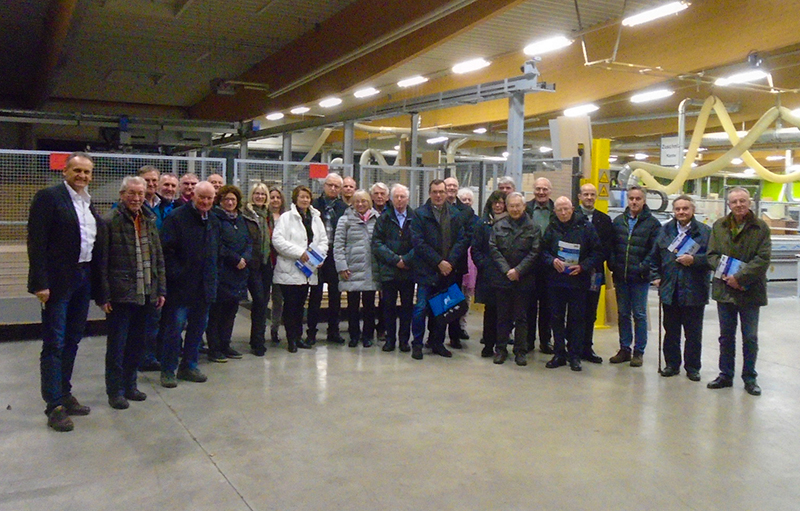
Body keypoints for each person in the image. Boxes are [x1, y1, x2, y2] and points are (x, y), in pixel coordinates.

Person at [27, 151, 103, 432]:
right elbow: (36, 241)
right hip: (58, 282)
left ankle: (65, 393)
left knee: (72, 339)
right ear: (65, 172)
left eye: (86, 172)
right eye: (77, 171)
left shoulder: (87, 202)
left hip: (83, 278)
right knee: (55, 343)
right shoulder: (49, 198)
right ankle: (54, 405)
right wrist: (40, 283)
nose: (82, 176)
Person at [99, 176, 166, 409]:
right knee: (117, 345)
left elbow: (158, 258)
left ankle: (130, 385)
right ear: (121, 195)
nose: (136, 198)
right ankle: (115, 391)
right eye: (131, 193)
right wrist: (104, 296)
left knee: (137, 343)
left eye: (140, 193)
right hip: (120, 295)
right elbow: (102, 263)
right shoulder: (109, 221)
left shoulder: (149, 219)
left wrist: (160, 289)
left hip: (146, 292)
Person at [706, 187, 771, 396]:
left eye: (742, 201)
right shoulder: (719, 226)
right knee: (726, 336)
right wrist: (728, 277)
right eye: (734, 202)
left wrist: (740, 278)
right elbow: (712, 255)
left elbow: (762, 259)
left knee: (750, 337)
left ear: (749, 202)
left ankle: (750, 378)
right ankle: (725, 375)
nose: (739, 205)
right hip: (725, 290)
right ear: (729, 205)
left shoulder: (760, 228)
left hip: (750, 291)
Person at [159, 181, 220, 387]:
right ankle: (168, 370)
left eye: (209, 198)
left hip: (204, 287)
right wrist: (178, 274)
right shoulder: (176, 218)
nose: (205, 201)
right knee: (174, 330)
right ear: (193, 195)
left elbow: (215, 252)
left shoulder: (213, 219)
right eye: (201, 197)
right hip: (181, 288)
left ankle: (189, 366)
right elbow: (166, 252)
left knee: (197, 329)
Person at [650, 195, 711, 381]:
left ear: (692, 210)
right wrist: (656, 277)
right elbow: (654, 258)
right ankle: (672, 364)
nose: (681, 212)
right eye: (678, 209)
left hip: (694, 290)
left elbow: (713, 258)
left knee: (693, 333)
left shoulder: (705, 232)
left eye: (685, 209)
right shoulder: (664, 231)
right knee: (671, 331)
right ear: (673, 211)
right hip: (670, 289)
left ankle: (692, 367)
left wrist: (694, 260)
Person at [410, 179, 470, 360]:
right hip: (426, 272)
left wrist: (449, 262)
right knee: (420, 309)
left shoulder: (455, 214)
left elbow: (462, 240)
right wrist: (438, 262)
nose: (438, 195)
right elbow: (418, 242)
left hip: (447, 272)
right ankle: (417, 345)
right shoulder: (420, 214)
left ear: (446, 194)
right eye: (435, 192)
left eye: (441, 192)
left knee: (442, 311)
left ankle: (437, 343)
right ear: (429, 193)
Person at [540, 197, 602, 372]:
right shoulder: (552, 228)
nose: (563, 213)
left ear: (573, 209)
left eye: (566, 209)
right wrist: (552, 261)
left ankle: (575, 355)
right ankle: (559, 353)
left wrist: (583, 266)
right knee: (556, 318)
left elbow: (597, 252)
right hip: (556, 282)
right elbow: (542, 251)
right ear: (555, 211)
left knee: (577, 319)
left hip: (578, 281)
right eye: (559, 209)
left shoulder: (586, 227)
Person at [608, 185, 661, 367]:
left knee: (639, 314)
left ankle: (639, 351)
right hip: (621, 276)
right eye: (631, 198)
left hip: (640, 277)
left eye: (638, 198)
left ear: (644, 201)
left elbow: (654, 251)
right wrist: (613, 264)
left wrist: (642, 267)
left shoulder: (653, 224)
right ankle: (624, 348)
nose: (634, 202)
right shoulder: (618, 222)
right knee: (623, 314)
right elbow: (612, 246)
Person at [272, 185, 329, 352]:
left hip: (308, 270)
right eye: (302, 197)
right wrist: (299, 253)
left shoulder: (316, 218)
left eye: (307, 197)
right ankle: (291, 340)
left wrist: (319, 256)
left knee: (300, 307)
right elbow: (278, 241)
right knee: (290, 306)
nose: (305, 200)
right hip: (289, 270)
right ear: (295, 199)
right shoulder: (286, 218)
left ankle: (298, 337)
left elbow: (323, 240)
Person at [489, 192, 540, 366]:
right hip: (503, 279)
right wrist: (507, 270)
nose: (515, 209)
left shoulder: (533, 228)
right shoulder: (498, 226)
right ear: (507, 207)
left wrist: (518, 271)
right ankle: (501, 350)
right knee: (502, 317)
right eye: (512, 206)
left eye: (518, 205)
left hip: (524, 280)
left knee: (521, 318)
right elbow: (493, 249)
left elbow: (534, 252)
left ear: (524, 206)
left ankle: (520, 351)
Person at [206, 185, 251, 363]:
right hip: (223, 272)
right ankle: (214, 348)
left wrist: (245, 258)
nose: (230, 202)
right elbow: (217, 245)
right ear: (220, 201)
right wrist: (235, 259)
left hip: (238, 274)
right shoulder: (215, 219)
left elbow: (248, 241)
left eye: (233, 199)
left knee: (231, 312)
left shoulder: (240, 220)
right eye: (227, 200)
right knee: (216, 313)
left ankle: (226, 344)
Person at [372, 184, 415, 353]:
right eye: (396, 196)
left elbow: (420, 243)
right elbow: (377, 243)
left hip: (408, 271)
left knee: (407, 308)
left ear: (408, 199)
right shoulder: (384, 218)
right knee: (388, 307)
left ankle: (404, 340)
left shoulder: (415, 217)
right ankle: (390, 340)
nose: (399, 200)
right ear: (392, 198)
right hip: (389, 271)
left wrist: (406, 260)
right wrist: (395, 260)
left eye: (402, 197)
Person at [242, 184, 284, 355]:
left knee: (262, 303)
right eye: (256, 194)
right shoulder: (246, 214)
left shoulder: (268, 216)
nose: (260, 197)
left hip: (267, 263)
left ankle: (257, 340)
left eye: (262, 194)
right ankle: (256, 340)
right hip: (252, 264)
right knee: (259, 300)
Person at [335, 190, 379, 347]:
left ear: (369, 202)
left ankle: (367, 335)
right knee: (352, 305)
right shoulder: (344, 220)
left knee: (369, 305)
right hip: (351, 269)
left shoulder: (377, 219)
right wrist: (341, 266)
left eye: (364, 201)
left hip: (370, 269)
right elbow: (338, 245)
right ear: (352, 203)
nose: (360, 204)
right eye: (357, 201)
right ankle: (354, 335)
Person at [576, 183, 614, 364]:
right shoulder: (571, 216)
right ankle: (572, 347)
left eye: (592, 194)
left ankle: (586, 347)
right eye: (586, 194)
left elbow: (606, 248)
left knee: (590, 311)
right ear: (579, 197)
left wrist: (589, 264)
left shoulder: (604, 221)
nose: (589, 197)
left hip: (594, 273)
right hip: (573, 272)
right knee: (575, 310)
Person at [308, 173, 346, 344]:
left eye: (336, 186)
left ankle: (333, 331)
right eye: (330, 185)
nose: (333, 188)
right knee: (315, 295)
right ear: (324, 186)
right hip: (316, 254)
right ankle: (311, 333)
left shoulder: (344, 208)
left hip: (335, 256)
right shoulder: (313, 206)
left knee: (335, 295)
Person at [471, 191, 507, 358]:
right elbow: (476, 249)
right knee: (490, 311)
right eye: (495, 203)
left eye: (501, 202)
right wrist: (484, 265)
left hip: (507, 274)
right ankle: (488, 344)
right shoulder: (482, 223)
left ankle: (502, 346)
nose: (498, 206)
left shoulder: (511, 222)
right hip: (488, 275)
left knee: (505, 312)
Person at [525, 177, 555, 354]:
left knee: (547, 306)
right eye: (538, 189)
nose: (541, 192)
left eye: (544, 189)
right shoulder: (526, 209)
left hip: (550, 265)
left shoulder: (556, 209)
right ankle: (528, 341)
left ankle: (545, 341)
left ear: (550, 191)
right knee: (529, 305)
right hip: (529, 264)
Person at [442, 176, 473, 346]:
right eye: (448, 185)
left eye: (454, 185)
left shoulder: (466, 211)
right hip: (437, 265)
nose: (451, 188)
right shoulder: (435, 208)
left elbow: (466, 238)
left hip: (456, 265)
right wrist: (440, 261)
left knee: (454, 300)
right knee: (438, 301)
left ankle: (454, 336)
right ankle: (435, 337)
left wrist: (451, 260)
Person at [369, 181, 391, 341]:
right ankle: (368, 330)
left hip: (388, 260)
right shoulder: (365, 210)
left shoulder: (393, 212)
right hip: (368, 260)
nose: (379, 196)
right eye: (376, 193)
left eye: (382, 193)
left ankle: (383, 328)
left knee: (386, 299)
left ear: (387, 196)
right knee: (369, 297)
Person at [456, 187, 478, 343]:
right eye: (463, 199)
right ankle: (452, 328)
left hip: (471, 264)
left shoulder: (476, 220)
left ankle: (462, 326)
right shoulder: (453, 215)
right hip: (456, 261)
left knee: (466, 297)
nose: (467, 202)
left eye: (469, 199)